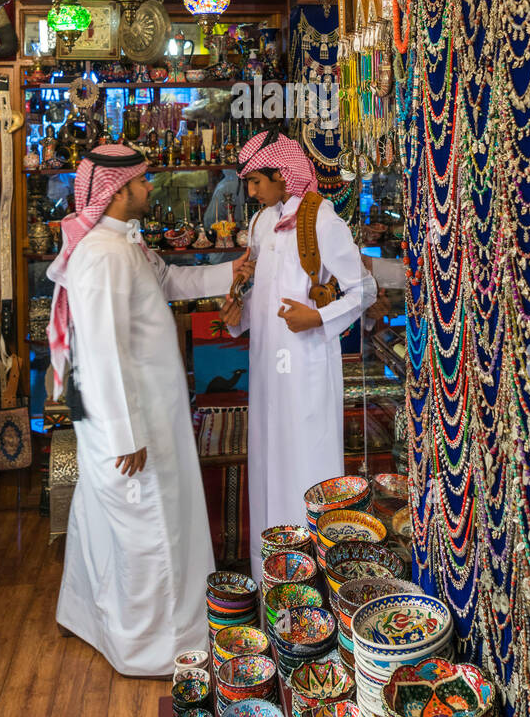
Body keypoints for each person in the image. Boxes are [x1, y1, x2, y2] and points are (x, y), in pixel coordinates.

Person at [46, 143, 246, 677]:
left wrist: (235, 269)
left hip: (145, 414)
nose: (150, 187)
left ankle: (93, 620)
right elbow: (101, 350)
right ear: (116, 191)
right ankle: (156, 649)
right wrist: (126, 433)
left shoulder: (124, 245)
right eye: (142, 182)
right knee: (149, 528)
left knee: (108, 522)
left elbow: (173, 283)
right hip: (130, 424)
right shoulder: (102, 257)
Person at [219, 131, 376, 584]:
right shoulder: (262, 224)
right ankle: (271, 581)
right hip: (268, 371)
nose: (250, 192)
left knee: (306, 468)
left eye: (255, 182)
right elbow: (261, 302)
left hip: (306, 370)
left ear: (283, 175)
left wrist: (319, 317)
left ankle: (317, 587)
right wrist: (236, 315)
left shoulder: (322, 221)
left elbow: (363, 289)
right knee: (267, 469)